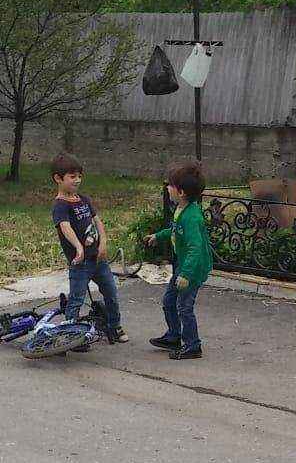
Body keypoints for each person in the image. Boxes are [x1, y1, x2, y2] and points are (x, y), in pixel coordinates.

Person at [50, 153, 128, 344]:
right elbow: (65, 227)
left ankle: (114, 326)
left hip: (98, 261)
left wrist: (103, 242)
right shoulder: (60, 205)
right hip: (80, 263)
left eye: (79, 176)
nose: (77, 180)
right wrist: (78, 247)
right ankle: (70, 334)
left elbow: (97, 222)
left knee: (111, 292)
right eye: (72, 177)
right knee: (76, 299)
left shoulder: (83, 199)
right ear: (58, 179)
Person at [145, 161, 213, 360]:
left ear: (181, 192)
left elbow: (195, 248)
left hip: (191, 269)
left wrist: (186, 274)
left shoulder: (192, 217)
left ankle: (193, 345)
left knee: (184, 307)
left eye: (170, 185)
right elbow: (176, 231)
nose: (167, 187)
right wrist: (159, 236)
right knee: (169, 302)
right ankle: (174, 336)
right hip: (182, 266)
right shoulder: (182, 209)